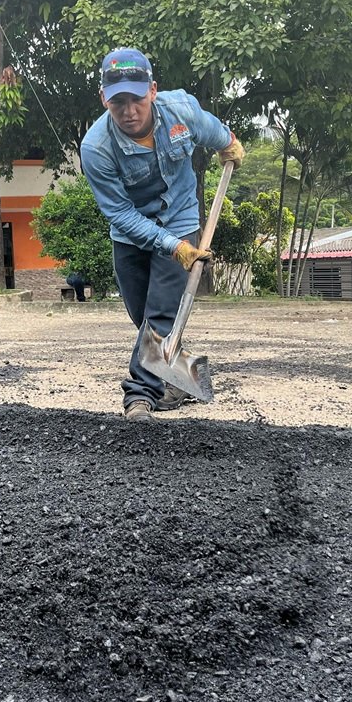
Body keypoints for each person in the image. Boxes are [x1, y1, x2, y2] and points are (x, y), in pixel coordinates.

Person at [80, 48, 244, 422]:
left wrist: (228, 143)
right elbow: (120, 213)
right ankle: (186, 376)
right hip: (131, 233)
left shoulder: (180, 112)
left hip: (180, 219)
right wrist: (173, 248)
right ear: (104, 98)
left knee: (159, 315)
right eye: (117, 101)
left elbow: (211, 128)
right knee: (145, 318)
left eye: (136, 99)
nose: (129, 111)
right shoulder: (96, 148)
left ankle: (140, 396)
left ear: (152, 90)